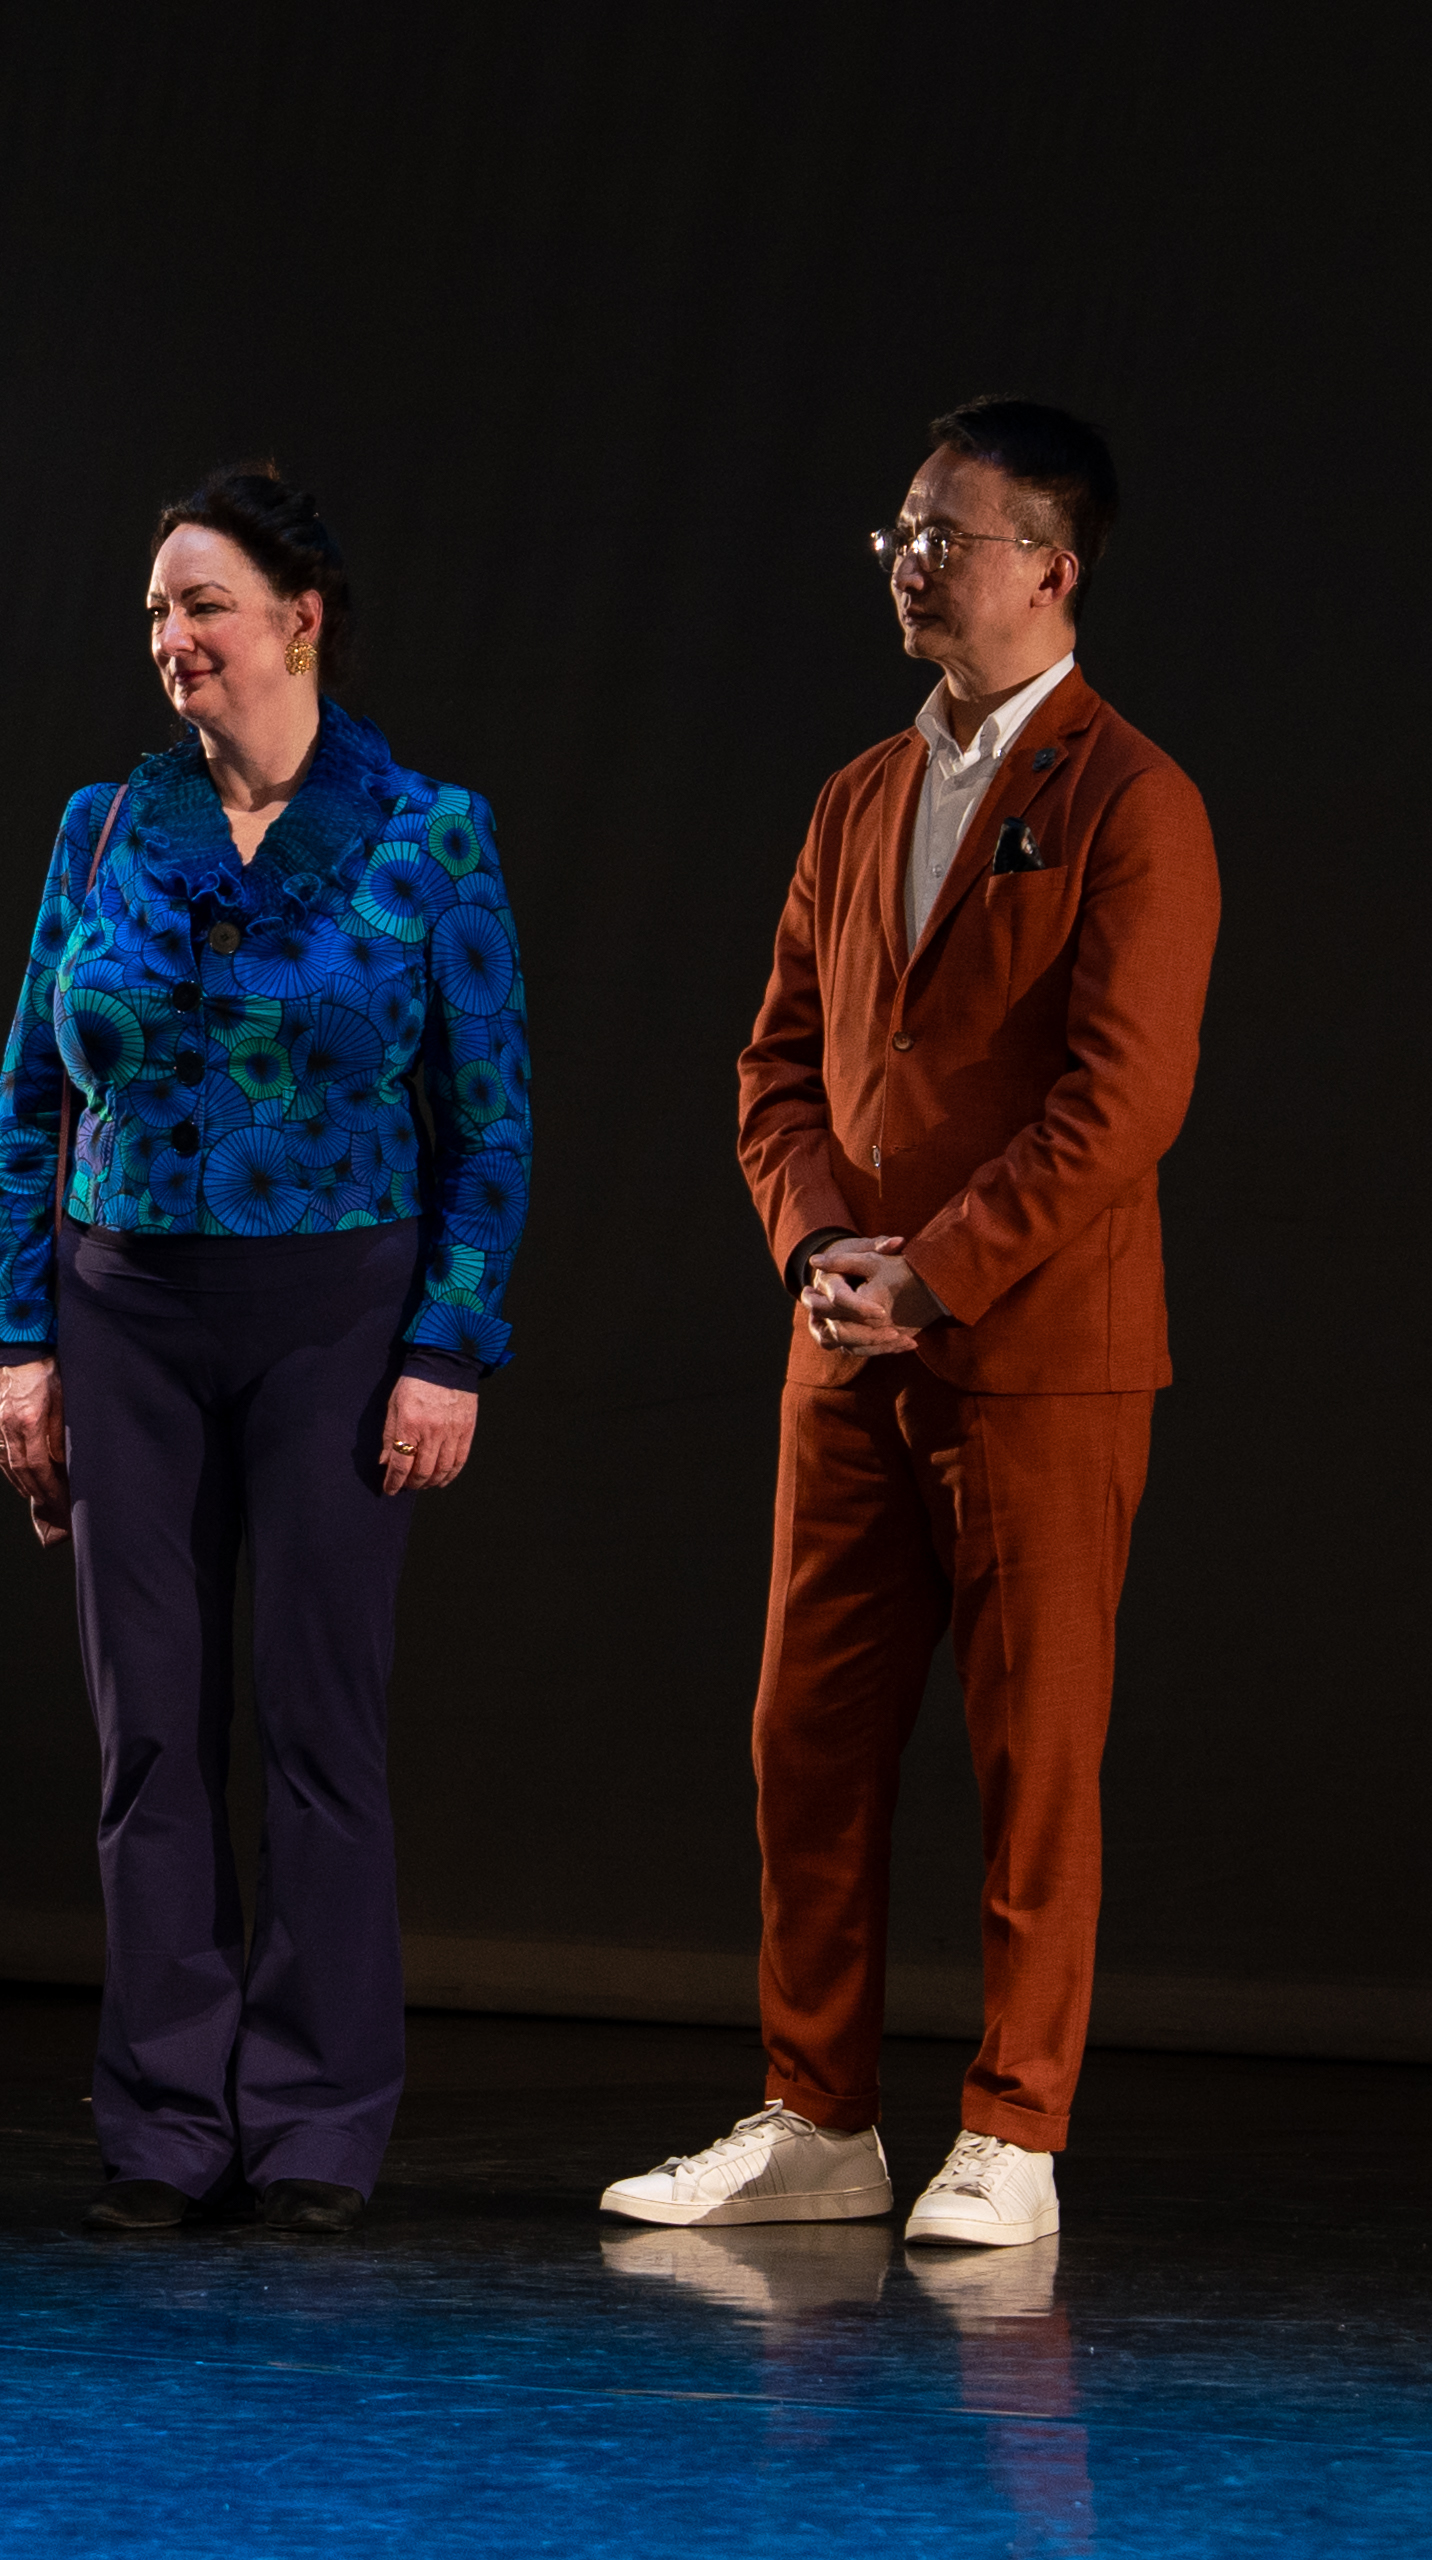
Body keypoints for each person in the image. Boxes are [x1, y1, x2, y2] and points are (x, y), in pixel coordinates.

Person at [602, 399, 1217, 2248]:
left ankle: (1015, 2131)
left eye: (950, 536)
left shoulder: (1132, 798)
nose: (912, 563)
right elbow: (776, 1064)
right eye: (900, 534)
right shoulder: (858, 794)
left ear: (1055, 568)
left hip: (1038, 1357)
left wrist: (934, 1268)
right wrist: (818, 1249)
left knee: (1034, 1756)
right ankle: (818, 2117)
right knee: (808, 1739)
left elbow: (1122, 1101)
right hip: (844, 1351)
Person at [0, 467, 532, 2239]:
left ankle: (312, 2122)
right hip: (124, 1312)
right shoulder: (103, 828)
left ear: (302, 618)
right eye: (156, 610)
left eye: (202, 604)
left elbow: (490, 1122)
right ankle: (161, 2122)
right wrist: (16, 1339)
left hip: (337, 1321)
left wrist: (448, 1346)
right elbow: (30, 1099)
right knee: (147, 1731)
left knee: (317, 1724)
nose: (172, 638)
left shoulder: (426, 832)